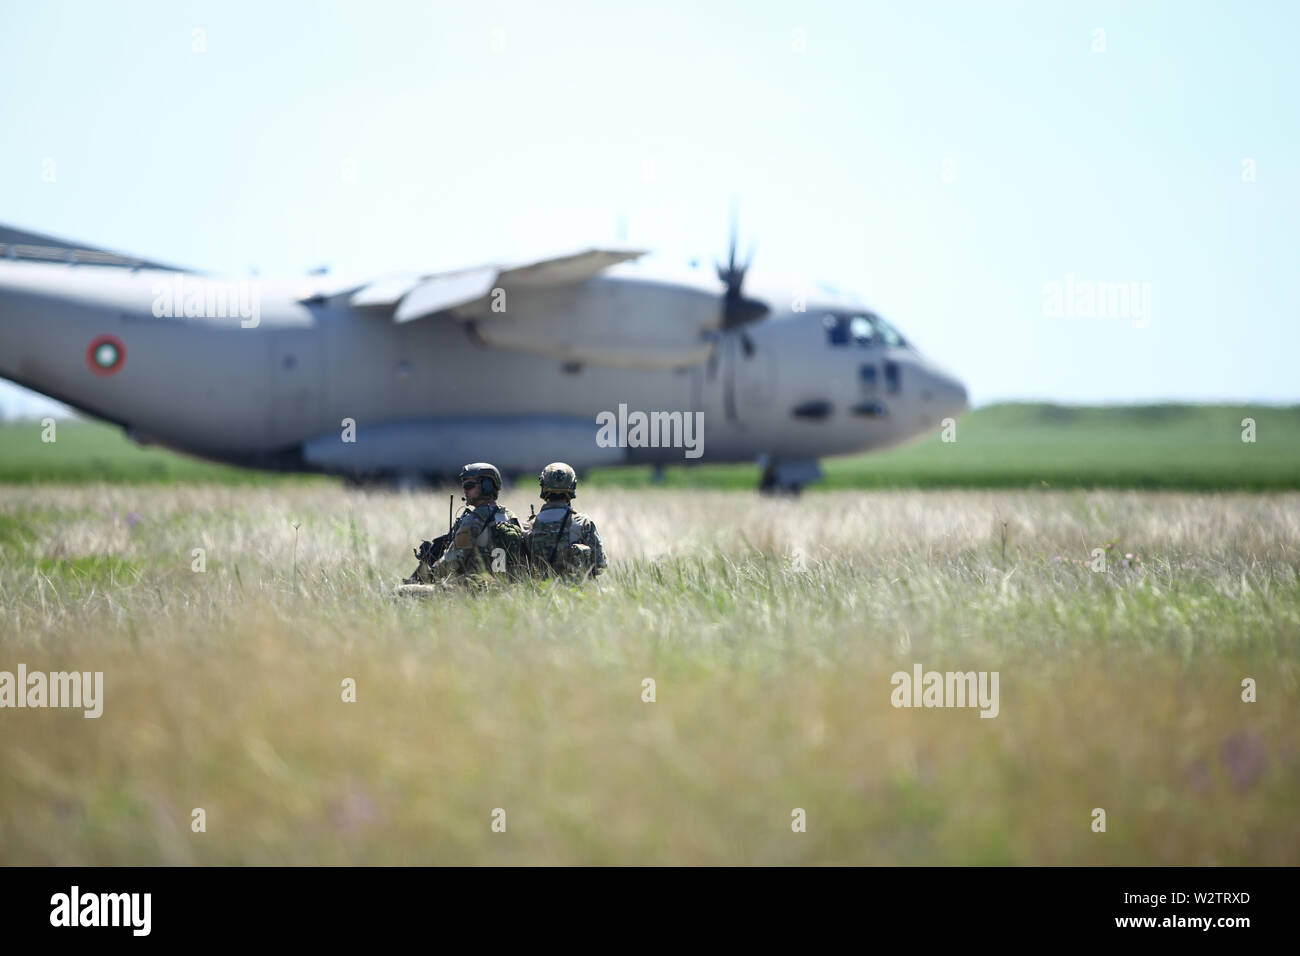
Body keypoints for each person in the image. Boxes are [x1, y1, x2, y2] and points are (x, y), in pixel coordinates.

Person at [408, 462, 524, 586]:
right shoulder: (511, 517)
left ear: (487, 486)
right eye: (464, 485)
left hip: (475, 589)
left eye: (469, 485)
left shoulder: (474, 519)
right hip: (508, 589)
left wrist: (429, 575)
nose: (464, 490)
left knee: (401, 593)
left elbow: (453, 560)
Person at [523, 462, 606, 579]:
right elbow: (600, 564)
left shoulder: (530, 525)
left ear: (543, 486)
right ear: (572, 486)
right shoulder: (582, 522)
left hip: (541, 592)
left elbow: (522, 568)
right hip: (578, 593)